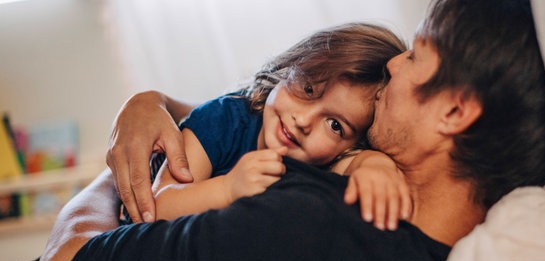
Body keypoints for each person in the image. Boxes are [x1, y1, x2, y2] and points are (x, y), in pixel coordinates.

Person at [0, 0, 545, 261]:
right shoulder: (409, 235)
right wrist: (154, 108)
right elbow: (239, 120)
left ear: (454, 110)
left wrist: (120, 164)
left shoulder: (303, 234)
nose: (394, 66)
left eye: (416, 55)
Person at [119, 23, 411, 230]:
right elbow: (157, 206)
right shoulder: (225, 119)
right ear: (290, 67)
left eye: (335, 125)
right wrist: (228, 189)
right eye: (308, 89)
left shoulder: (321, 158)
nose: (304, 121)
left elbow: (354, 163)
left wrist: (376, 166)